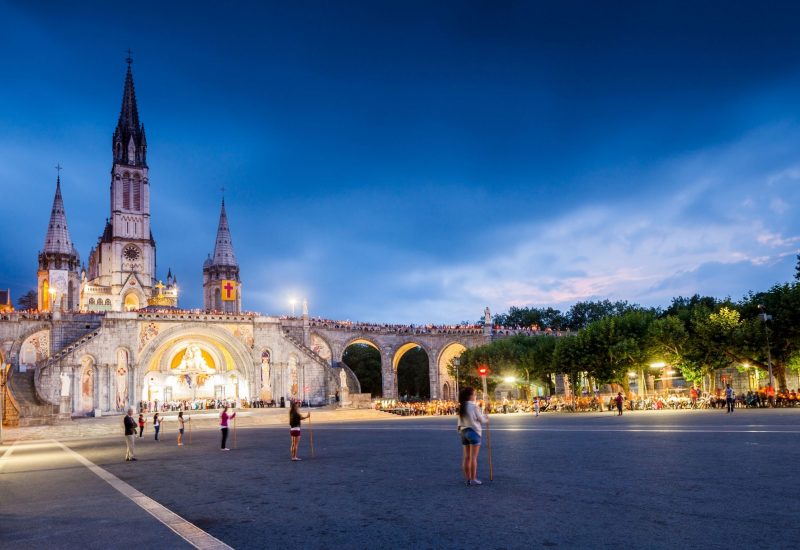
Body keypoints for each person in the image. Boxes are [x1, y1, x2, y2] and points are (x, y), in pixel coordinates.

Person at [457, 386, 489, 486]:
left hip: (463, 432)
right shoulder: (474, 406)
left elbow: (459, 422)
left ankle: (468, 479)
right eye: (474, 394)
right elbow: (482, 420)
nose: (475, 396)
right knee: (473, 457)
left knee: (466, 457)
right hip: (474, 431)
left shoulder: (461, 406)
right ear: (470, 396)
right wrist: (486, 417)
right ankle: (473, 478)